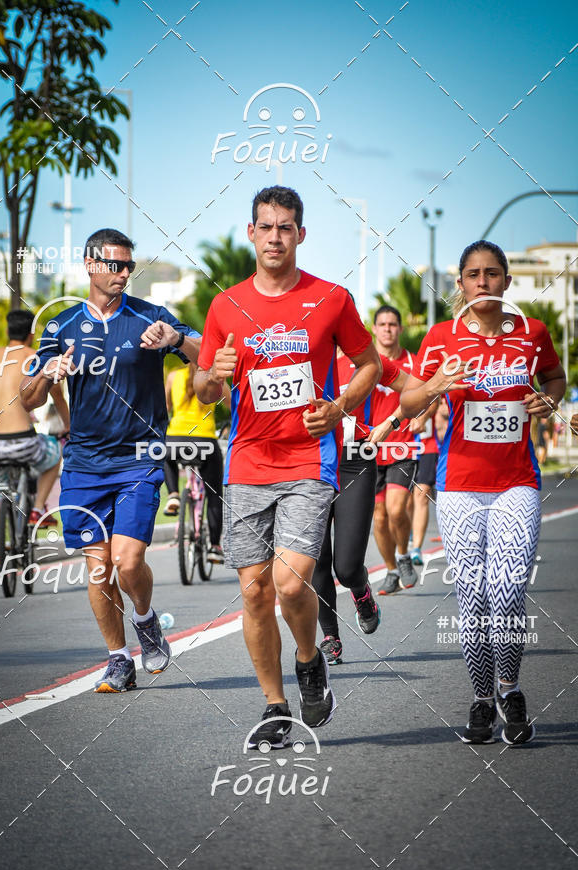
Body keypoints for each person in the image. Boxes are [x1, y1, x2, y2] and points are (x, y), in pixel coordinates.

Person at [194, 186, 381, 748]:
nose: (275, 237)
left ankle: (307, 659)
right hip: (247, 461)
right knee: (254, 592)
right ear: (250, 233)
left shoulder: (331, 299)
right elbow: (205, 391)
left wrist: (340, 408)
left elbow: (369, 364)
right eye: (265, 226)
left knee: (291, 581)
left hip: (308, 459)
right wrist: (215, 373)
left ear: (300, 234)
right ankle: (276, 706)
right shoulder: (225, 306)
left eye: (285, 227)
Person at [20, 228, 201, 692]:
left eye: (128, 266)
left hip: (139, 457)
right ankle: (118, 659)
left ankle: (145, 619)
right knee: (98, 567)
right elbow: (27, 398)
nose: (123, 273)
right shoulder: (61, 326)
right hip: (84, 463)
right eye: (115, 265)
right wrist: (48, 372)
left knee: (127, 559)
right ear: (90, 265)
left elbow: (205, 351)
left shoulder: (150, 316)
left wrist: (176, 340)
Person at [401, 239, 565, 745]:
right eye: (473, 274)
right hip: (459, 487)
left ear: (507, 281)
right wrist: (436, 386)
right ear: (461, 283)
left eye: (492, 273)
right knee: (472, 597)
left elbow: (555, 377)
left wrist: (548, 400)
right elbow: (408, 404)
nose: (483, 282)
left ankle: (509, 688)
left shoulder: (533, 333)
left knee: (509, 589)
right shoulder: (441, 336)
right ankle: (480, 698)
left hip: (517, 481)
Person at [313, 348, 408, 665]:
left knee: (347, 567)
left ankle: (361, 592)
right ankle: (330, 637)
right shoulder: (301, 355)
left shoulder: (366, 359)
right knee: (317, 559)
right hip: (310, 464)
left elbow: (417, 389)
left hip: (355, 461)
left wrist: (391, 422)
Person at [0, 310, 69, 579]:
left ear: (8, 331)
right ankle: (37, 509)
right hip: (24, 442)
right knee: (54, 453)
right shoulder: (35, 357)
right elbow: (57, 396)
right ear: (31, 333)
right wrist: (68, 426)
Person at [370, 304, 418, 593]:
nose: (387, 329)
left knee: (396, 509)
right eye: (383, 324)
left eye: (392, 324)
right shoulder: (365, 363)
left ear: (400, 329)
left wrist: (423, 416)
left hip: (403, 446)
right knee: (378, 516)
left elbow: (429, 394)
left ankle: (403, 556)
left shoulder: (413, 362)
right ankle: (390, 571)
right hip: (369, 449)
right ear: (374, 329)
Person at [164, 362, 229, 563]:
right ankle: (214, 547)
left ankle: (173, 494)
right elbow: (232, 404)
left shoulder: (173, 376)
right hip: (205, 441)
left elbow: (165, 408)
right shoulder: (215, 378)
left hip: (175, 438)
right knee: (214, 494)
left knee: (166, 456)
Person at [408, 402, 440, 566]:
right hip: (404, 447)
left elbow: (441, 406)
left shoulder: (431, 390)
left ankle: (416, 548)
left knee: (421, 494)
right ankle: (409, 534)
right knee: (406, 500)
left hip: (428, 446)